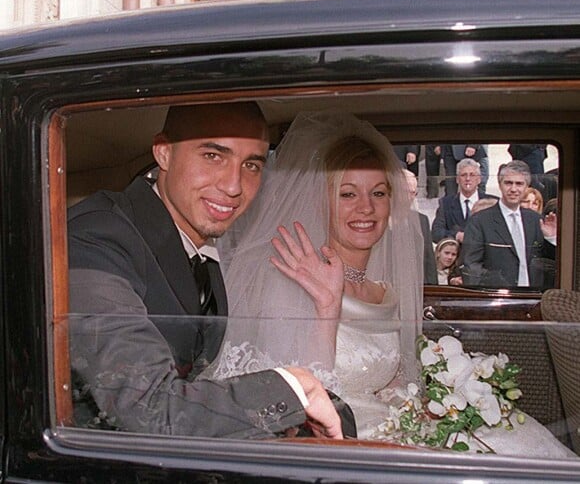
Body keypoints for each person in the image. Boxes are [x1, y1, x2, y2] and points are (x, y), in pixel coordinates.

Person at [212, 112, 575, 458]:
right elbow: (298, 403)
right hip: (342, 440)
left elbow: (395, 381)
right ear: (322, 200)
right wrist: (327, 305)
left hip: (396, 427)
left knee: (515, 440)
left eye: (379, 193)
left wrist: (428, 405)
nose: (366, 208)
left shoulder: (386, 290)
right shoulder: (292, 280)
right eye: (348, 194)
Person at [67, 102, 348, 440]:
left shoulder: (198, 247)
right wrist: (293, 387)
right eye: (213, 156)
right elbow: (148, 408)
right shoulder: (96, 238)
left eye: (251, 165)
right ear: (164, 153)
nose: (234, 185)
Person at [462, 160, 556, 289]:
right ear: (500, 185)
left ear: (526, 187)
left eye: (519, 184)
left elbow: (549, 263)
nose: (513, 189)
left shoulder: (535, 219)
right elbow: (471, 266)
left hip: (533, 295)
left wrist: (550, 238)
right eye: (508, 183)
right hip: (496, 297)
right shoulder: (480, 220)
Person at [431, 158, 497, 244]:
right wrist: (456, 236)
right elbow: (436, 233)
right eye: (463, 175)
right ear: (457, 179)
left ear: (479, 179)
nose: (468, 178)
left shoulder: (492, 202)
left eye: (472, 175)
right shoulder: (446, 203)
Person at [403, 169, 437, 284]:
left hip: (416, 289)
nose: (409, 197)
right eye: (405, 192)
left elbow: (429, 263)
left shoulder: (422, 220)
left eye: (413, 193)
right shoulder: (377, 220)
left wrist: (434, 293)